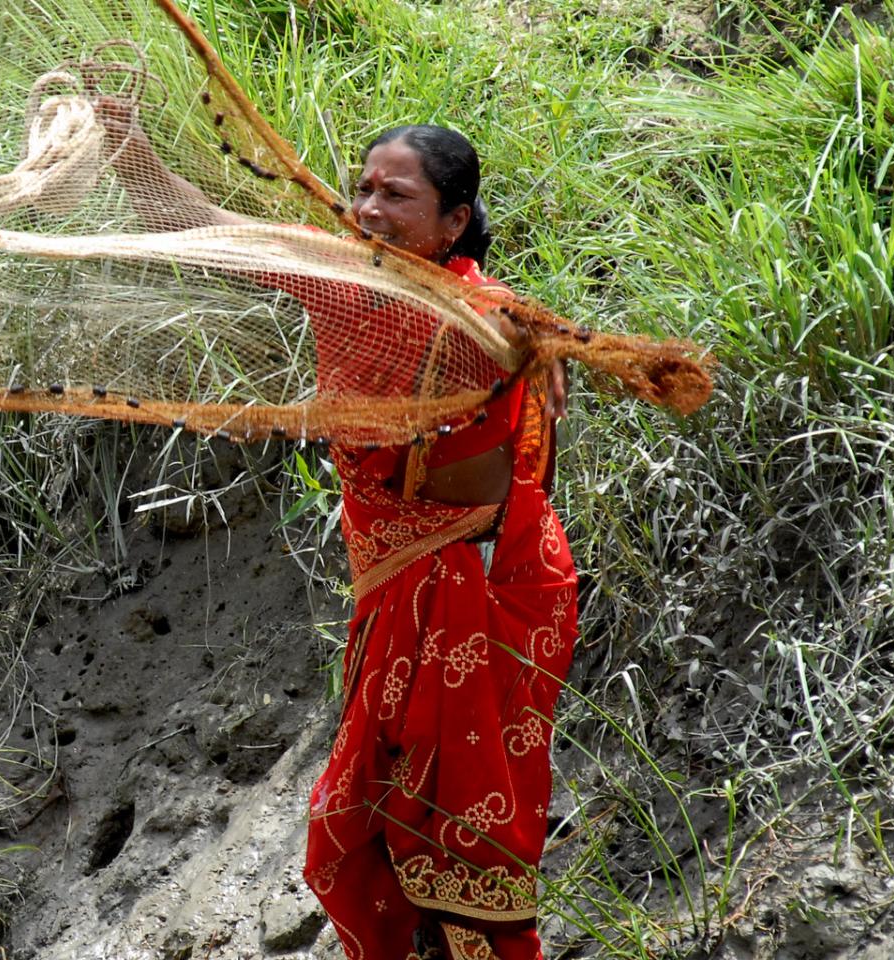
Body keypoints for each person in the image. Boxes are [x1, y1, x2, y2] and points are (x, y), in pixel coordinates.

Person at [104, 110, 577, 960]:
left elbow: (513, 395)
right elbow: (215, 236)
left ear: (454, 222)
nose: (368, 207)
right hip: (406, 589)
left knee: (462, 823)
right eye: (362, 188)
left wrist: (525, 346)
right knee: (360, 829)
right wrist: (130, 151)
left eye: (396, 194)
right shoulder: (342, 287)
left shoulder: (489, 320)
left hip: (487, 590)